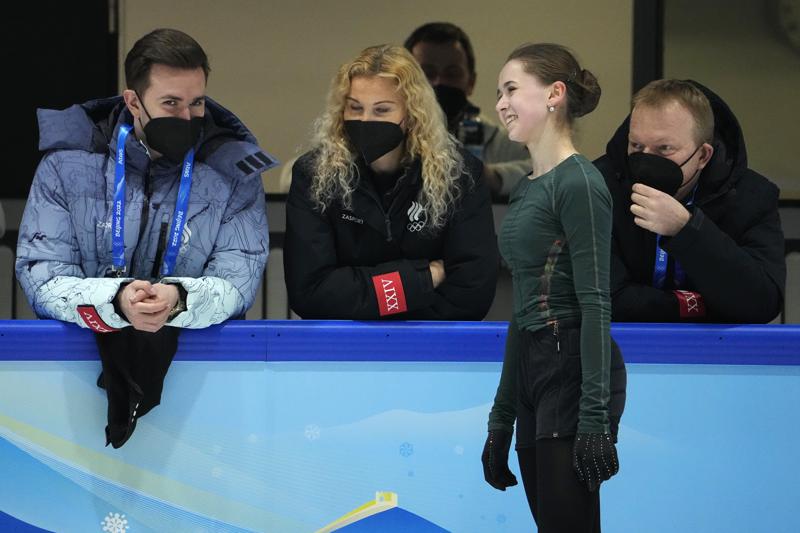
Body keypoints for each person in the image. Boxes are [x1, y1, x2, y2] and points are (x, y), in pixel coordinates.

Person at [15, 28, 275, 448]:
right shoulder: (66, 164)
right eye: (170, 103)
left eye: (197, 103)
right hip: (72, 384)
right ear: (133, 101)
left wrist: (178, 299)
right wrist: (116, 300)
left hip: (205, 392)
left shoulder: (233, 171)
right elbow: (41, 275)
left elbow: (237, 280)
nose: (188, 117)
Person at [482, 44, 626, 532]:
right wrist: (501, 419)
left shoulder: (580, 182)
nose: (500, 103)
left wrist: (594, 419)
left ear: (554, 94)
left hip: (572, 370)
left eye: (511, 89)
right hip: (534, 371)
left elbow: (596, 302)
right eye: (498, 92)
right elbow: (523, 310)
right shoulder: (528, 186)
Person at [284, 44, 498, 320]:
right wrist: (423, 279)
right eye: (355, 108)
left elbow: (472, 295)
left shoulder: (459, 174)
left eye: (382, 110)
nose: (365, 120)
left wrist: (364, 300)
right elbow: (310, 293)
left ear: (411, 114)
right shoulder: (314, 174)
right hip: (342, 347)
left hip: (429, 348)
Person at [594, 79, 785, 323]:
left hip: (717, 353)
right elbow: (605, 299)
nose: (646, 160)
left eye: (664, 149)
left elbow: (762, 302)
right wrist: (695, 304)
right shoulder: (599, 186)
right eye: (636, 146)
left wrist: (687, 229)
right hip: (619, 349)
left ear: (703, 155)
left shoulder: (753, 197)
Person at [404, 22, 530, 199]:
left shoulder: (502, 142)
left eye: (452, 74)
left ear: (471, 82)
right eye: (427, 74)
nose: (439, 83)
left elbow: (554, 173)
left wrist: (493, 178)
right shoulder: (387, 139)